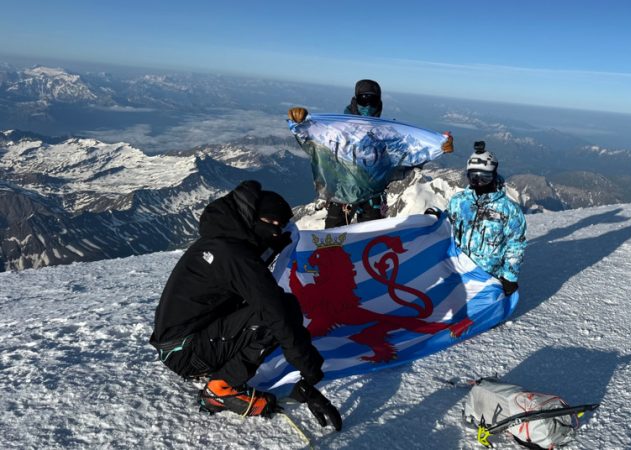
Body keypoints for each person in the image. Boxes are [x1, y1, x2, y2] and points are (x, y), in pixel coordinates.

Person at [149, 180, 342, 430]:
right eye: (271, 223)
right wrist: (309, 369)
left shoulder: (222, 241)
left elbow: (249, 266)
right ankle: (221, 388)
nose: (275, 231)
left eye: (279, 226)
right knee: (276, 315)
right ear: (252, 218)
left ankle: (217, 366)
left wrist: (275, 246)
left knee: (277, 308)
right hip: (186, 352)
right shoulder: (234, 255)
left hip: (181, 342)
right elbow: (275, 312)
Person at [288, 79, 454, 229]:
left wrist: (438, 146)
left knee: (369, 239)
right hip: (342, 193)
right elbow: (311, 138)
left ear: (379, 103)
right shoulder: (336, 128)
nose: (367, 105)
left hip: (371, 196)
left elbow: (410, 153)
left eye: (372, 100)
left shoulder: (387, 132)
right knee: (333, 239)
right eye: (363, 99)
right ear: (355, 100)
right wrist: (300, 121)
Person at [440, 141, 526, 296]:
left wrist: (509, 277)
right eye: (473, 178)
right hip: (458, 271)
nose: (478, 183)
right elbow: (448, 223)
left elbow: (515, 245)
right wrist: (435, 217)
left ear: (494, 175)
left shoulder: (509, 210)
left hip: (488, 277)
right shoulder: (459, 201)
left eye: (484, 178)